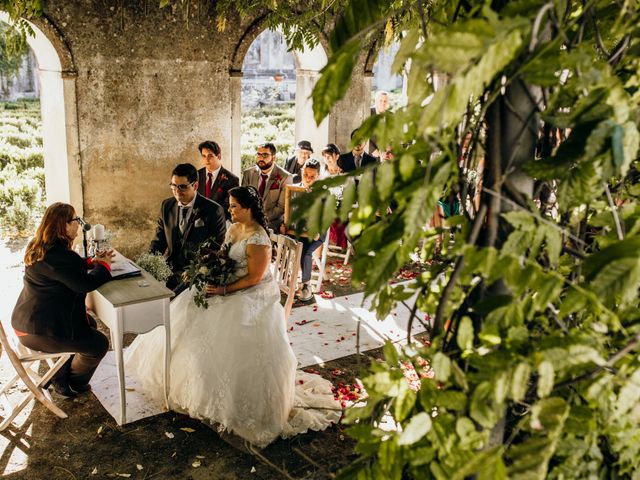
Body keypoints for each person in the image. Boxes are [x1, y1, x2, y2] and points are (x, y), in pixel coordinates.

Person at [125, 186, 340, 448]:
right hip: (228, 282)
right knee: (189, 308)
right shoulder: (234, 227)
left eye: (234, 206)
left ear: (248, 209)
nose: (230, 210)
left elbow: (253, 278)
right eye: (230, 205)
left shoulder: (259, 238)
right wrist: (208, 265)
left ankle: (228, 399)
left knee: (222, 328)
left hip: (253, 295)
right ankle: (197, 387)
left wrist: (224, 289)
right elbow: (224, 255)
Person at [11, 202, 113, 397]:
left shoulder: (40, 247)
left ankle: (60, 375)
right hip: (40, 332)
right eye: (75, 220)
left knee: (89, 322)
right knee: (99, 343)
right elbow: (84, 284)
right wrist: (104, 267)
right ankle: (72, 384)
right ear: (64, 226)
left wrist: (91, 262)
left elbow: (61, 271)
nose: (78, 224)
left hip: (24, 322)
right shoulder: (61, 256)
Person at [150, 163, 226, 294]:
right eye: (173, 186)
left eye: (182, 187)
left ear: (195, 186)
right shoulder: (166, 205)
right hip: (169, 270)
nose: (177, 191)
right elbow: (159, 240)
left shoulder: (213, 210)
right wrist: (147, 264)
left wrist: (195, 270)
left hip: (196, 274)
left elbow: (215, 248)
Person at [280, 159, 324, 301]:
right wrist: (284, 224)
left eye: (312, 176)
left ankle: (306, 285)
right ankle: (286, 280)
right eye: (305, 175)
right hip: (295, 231)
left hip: (316, 232)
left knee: (305, 250)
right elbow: (287, 211)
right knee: (285, 244)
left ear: (318, 176)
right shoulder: (293, 189)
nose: (308, 178)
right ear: (301, 172)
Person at [241, 142, 292, 232]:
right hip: (249, 221)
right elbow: (243, 199)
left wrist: (260, 218)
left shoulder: (285, 177)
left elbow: (281, 208)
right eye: (259, 154)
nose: (261, 158)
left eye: (265, 155)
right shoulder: (248, 173)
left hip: (271, 224)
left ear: (273, 157)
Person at [196, 140, 239, 221]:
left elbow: (229, 207)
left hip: (219, 224)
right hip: (197, 223)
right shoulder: (196, 175)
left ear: (218, 156)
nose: (206, 160)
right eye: (204, 156)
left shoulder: (232, 179)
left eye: (210, 156)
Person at [368, 90, 390, 157]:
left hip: (385, 155)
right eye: (380, 100)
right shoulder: (368, 113)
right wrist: (372, 150)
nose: (383, 103)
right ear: (376, 101)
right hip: (371, 154)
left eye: (385, 101)